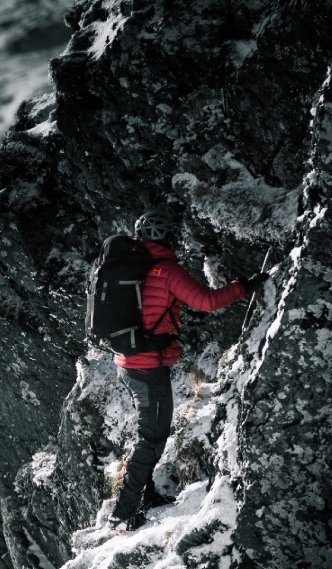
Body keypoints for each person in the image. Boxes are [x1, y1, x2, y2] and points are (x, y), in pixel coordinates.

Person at [108, 206, 268, 534]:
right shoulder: (166, 270)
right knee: (151, 437)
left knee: (146, 433)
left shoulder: (125, 267)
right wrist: (244, 286)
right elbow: (207, 302)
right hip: (148, 367)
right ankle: (124, 512)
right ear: (166, 237)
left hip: (127, 363)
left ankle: (144, 494)